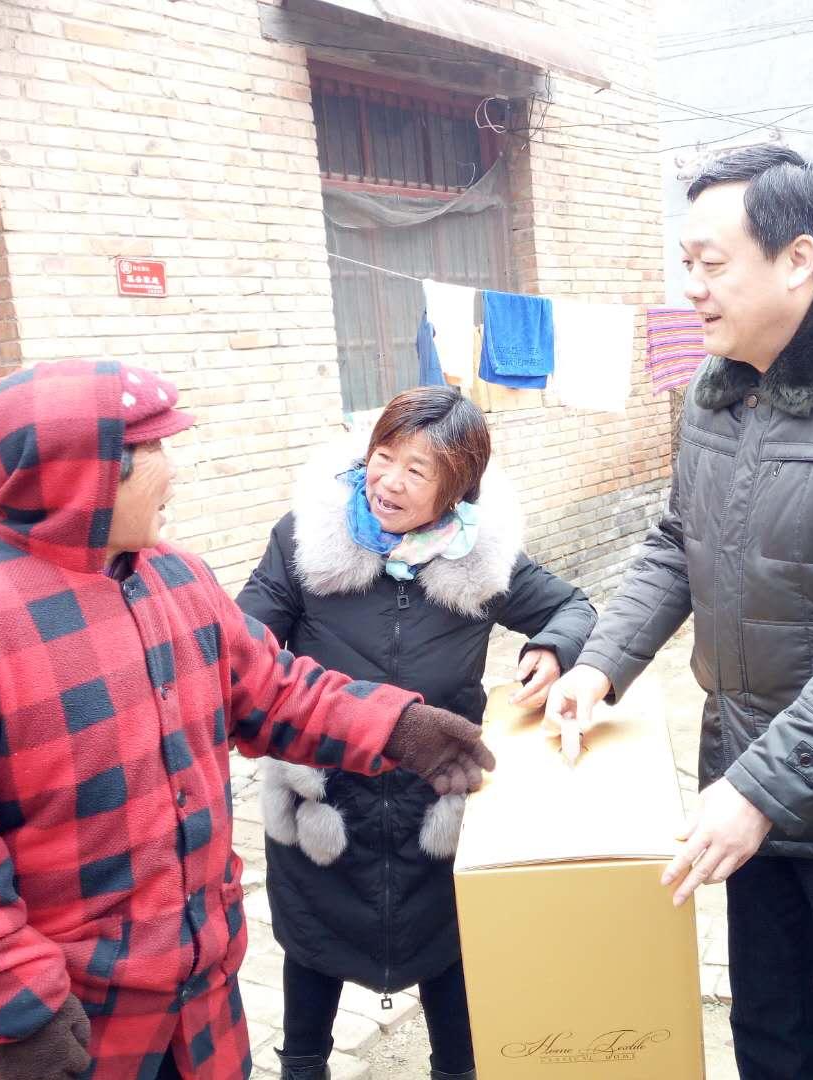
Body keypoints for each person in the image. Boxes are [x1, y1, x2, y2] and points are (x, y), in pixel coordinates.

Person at [0, 360, 494, 1080]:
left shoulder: (176, 579)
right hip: (70, 1029)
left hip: (202, 1006)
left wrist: (396, 727)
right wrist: (14, 1007)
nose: (174, 472)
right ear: (90, 473)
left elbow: (273, 690)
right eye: (154, 448)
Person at [543, 145, 813, 1079]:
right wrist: (599, 664)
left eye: (711, 263)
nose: (692, 287)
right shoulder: (713, 392)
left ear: (798, 260)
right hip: (743, 781)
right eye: (686, 263)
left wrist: (760, 790)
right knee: (771, 1030)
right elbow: (676, 539)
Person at [236, 386, 596, 1080]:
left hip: (435, 800)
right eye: (383, 456)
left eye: (417, 470)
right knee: (311, 954)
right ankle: (303, 1065)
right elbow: (243, 639)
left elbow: (573, 608)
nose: (389, 482)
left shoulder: (481, 558)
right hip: (326, 800)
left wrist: (552, 650)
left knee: (449, 959)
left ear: (457, 488)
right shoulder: (305, 540)